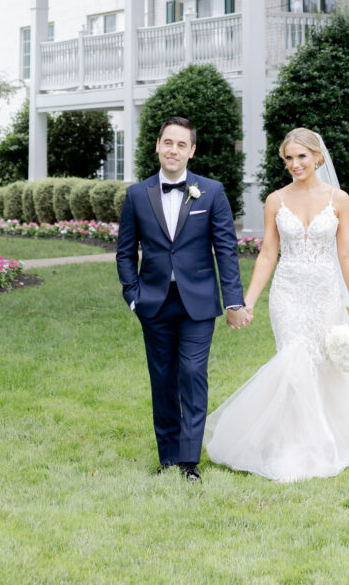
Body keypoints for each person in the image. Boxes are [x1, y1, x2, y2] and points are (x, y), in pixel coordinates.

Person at [205, 127, 349, 482]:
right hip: (288, 291)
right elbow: (267, 254)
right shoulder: (275, 201)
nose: (295, 164)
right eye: (289, 158)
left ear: (318, 157)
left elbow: (346, 253)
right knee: (293, 357)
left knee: (323, 363)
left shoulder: (338, 199)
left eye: (301, 157)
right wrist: (246, 301)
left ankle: (327, 436)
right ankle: (294, 443)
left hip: (325, 290)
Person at [117, 116, 250, 482]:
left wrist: (233, 301)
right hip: (154, 302)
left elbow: (226, 249)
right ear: (157, 146)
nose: (173, 150)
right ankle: (168, 457)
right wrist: (133, 296)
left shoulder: (212, 191)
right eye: (168, 142)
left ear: (192, 151)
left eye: (181, 144)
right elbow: (125, 252)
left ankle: (189, 461)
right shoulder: (136, 195)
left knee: (192, 373)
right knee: (163, 379)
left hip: (199, 302)